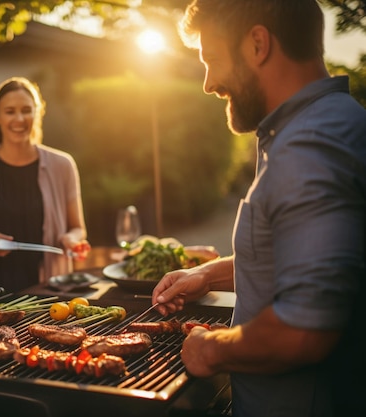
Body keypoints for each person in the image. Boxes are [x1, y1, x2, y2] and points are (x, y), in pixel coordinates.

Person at [151, 1, 366, 416]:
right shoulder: (333, 123)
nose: (208, 84)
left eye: (212, 59)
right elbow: (308, 257)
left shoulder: (309, 148)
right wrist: (207, 273)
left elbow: (303, 330)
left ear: (257, 44)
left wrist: (209, 350)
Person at [0, 76, 91, 294]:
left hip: (52, 294)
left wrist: (71, 239)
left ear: (37, 113)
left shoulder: (63, 165)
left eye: (26, 110)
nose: (19, 118)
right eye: (10, 111)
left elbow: (78, 229)